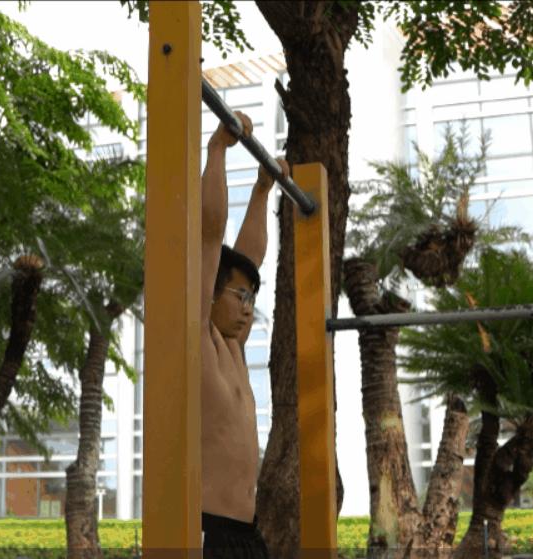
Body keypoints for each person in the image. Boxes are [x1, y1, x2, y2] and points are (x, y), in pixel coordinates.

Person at [200, 110, 288, 558]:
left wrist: (262, 189)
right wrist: (217, 149)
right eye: (240, 297)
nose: (249, 308)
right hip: (209, 531)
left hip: (246, 533)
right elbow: (208, 236)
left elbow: (249, 260)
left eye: (252, 299)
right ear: (211, 292)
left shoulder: (232, 348)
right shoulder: (197, 339)